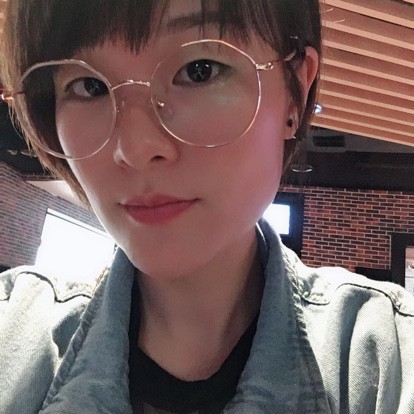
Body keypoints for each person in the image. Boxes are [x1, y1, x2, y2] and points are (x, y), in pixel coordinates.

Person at [0, 0, 413, 413]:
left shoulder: (388, 360)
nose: (135, 148)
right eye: (89, 86)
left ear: (295, 94)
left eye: (200, 70)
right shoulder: (14, 333)